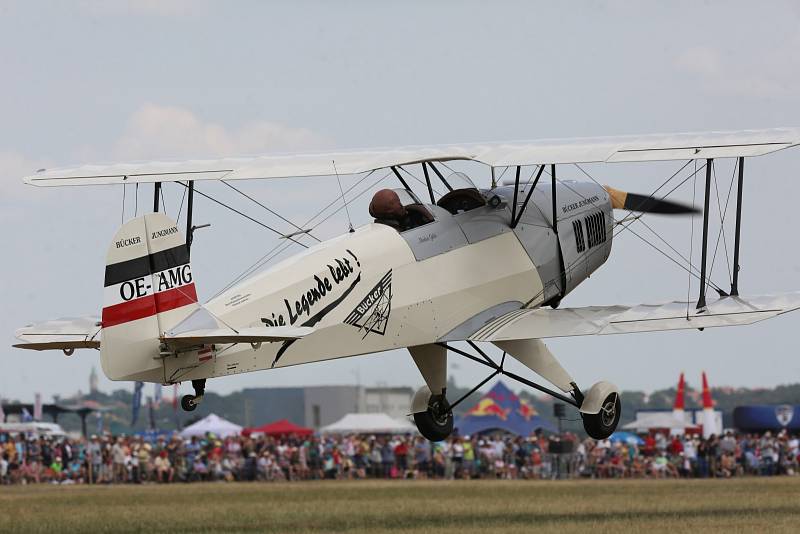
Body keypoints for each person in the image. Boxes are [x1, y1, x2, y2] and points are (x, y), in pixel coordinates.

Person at [369, 189, 433, 232]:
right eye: (398, 203)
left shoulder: (379, 227)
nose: (402, 205)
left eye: (399, 201)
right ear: (389, 212)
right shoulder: (393, 231)